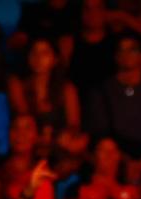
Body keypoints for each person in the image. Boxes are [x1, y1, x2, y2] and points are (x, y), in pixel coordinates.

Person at [84, 32, 141, 185]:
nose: (126, 55)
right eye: (122, 50)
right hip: (113, 159)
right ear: (116, 57)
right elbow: (100, 132)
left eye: (132, 50)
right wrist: (126, 162)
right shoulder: (102, 91)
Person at [8, 35, 89, 171]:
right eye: (34, 52)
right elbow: (24, 122)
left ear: (55, 59)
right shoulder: (18, 85)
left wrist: (61, 136)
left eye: (45, 53)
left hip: (57, 144)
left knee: (78, 144)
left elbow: (74, 124)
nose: (38, 58)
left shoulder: (66, 88)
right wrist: (44, 137)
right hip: (28, 144)